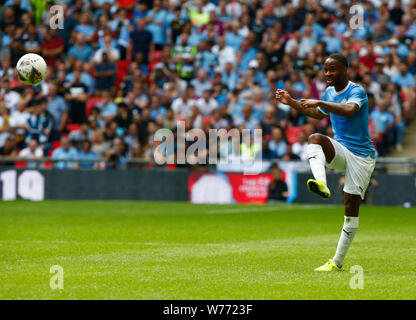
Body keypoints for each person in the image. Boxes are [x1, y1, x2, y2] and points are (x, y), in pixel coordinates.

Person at [275, 53, 376, 271]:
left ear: (345, 70)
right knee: (315, 139)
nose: (328, 73)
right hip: (341, 150)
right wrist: (291, 102)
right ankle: (321, 183)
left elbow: (349, 110)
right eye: (326, 69)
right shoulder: (329, 91)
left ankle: (337, 262)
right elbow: (318, 115)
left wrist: (321, 102)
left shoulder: (356, 90)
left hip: (361, 156)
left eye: (333, 69)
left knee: (350, 209)